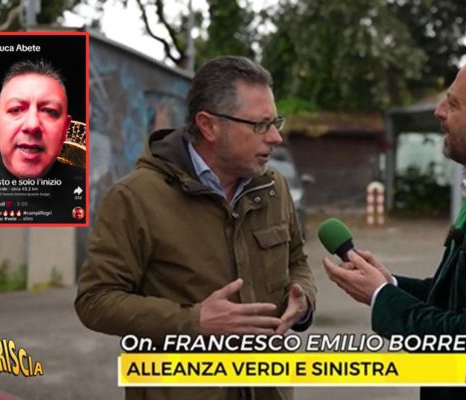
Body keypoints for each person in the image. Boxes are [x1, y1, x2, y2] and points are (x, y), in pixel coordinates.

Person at [75, 56, 316, 400]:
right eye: (260, 125)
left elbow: (297, 260)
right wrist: (194, 321)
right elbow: (95, 300)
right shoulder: (136, 197)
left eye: (275, 122)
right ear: (208, 126)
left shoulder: (272, 187)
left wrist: (303, 298)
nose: (276, 137)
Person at [324, 54, 466, 400]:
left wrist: (381, 297)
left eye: (454, 104)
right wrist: (390, 283)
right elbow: (465, 298)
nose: (439, 112)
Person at [0, 60, 85, 223]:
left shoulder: (92, 192)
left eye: (49, 111)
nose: (32, 125)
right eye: (15, 109)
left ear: (65, 128)